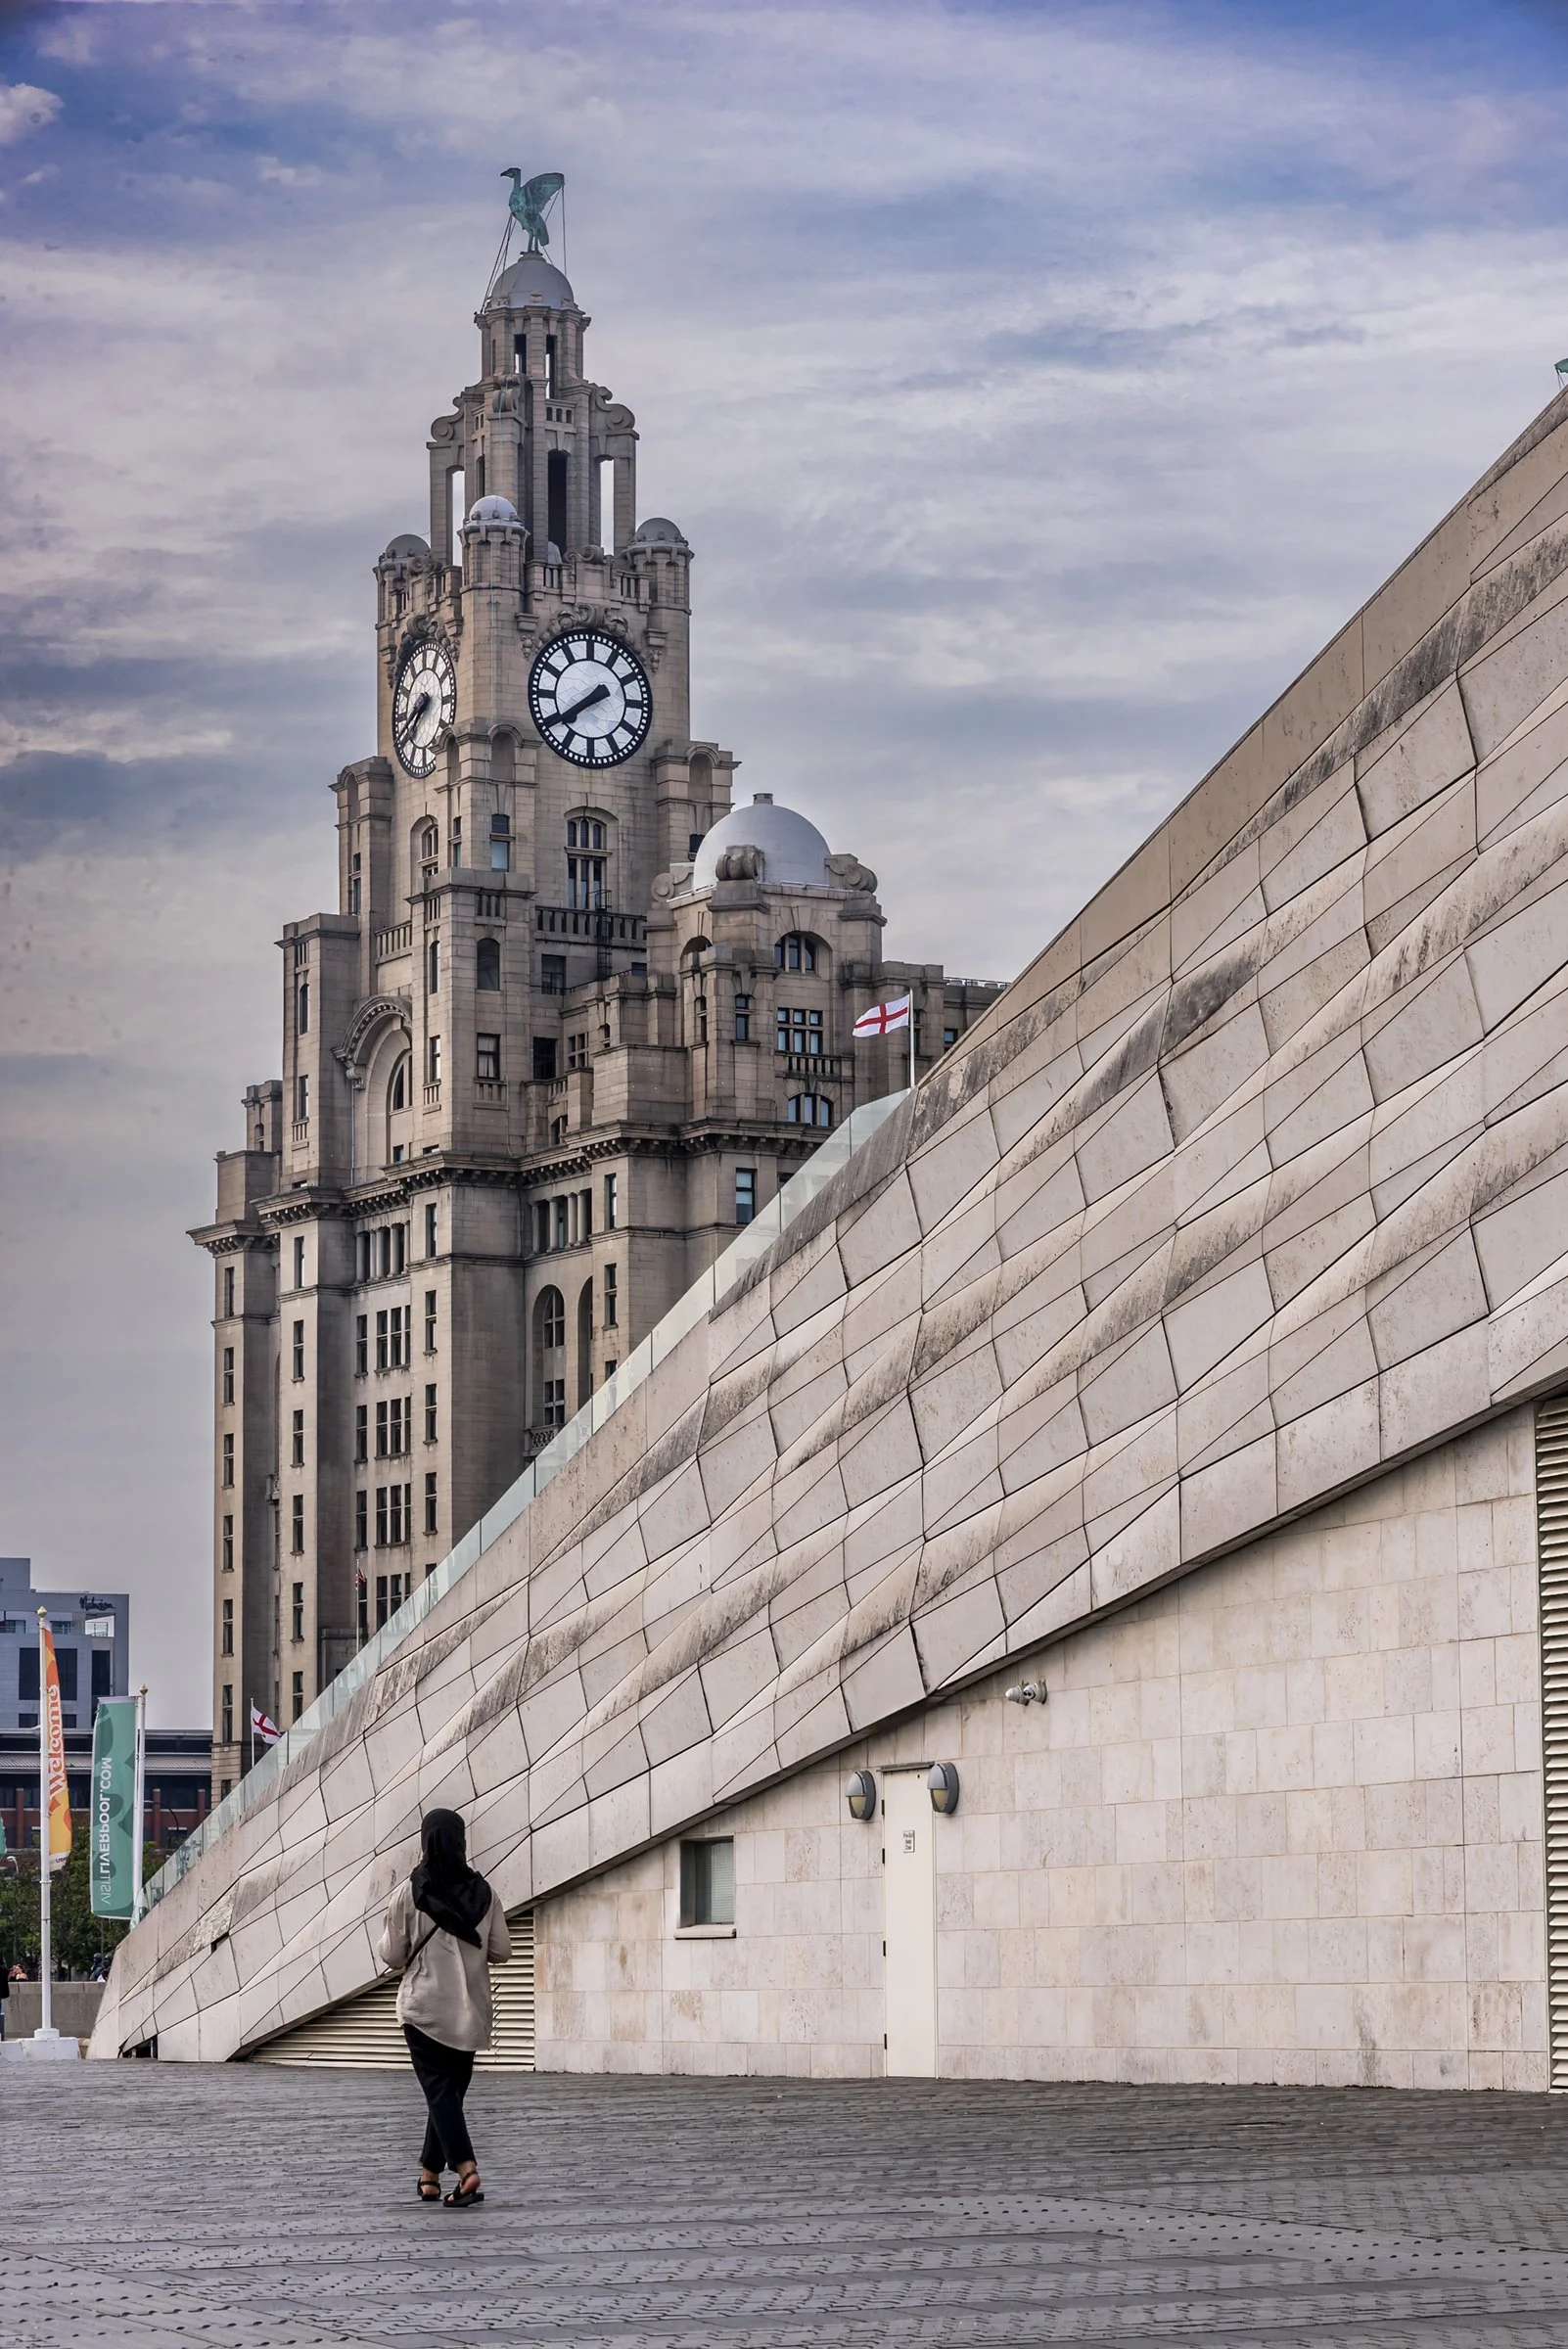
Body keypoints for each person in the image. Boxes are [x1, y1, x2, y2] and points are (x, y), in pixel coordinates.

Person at [379, 1808, 510, 2208]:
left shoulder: (410, 1891)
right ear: (461, 1841)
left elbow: (394, 1956)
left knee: (440, 2094)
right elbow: (502, 1951)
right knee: (447, 2094)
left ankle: (467, 2170)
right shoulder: (485, 1893)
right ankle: (430, 2176)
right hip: (469, 2013)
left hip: (424, 2010)